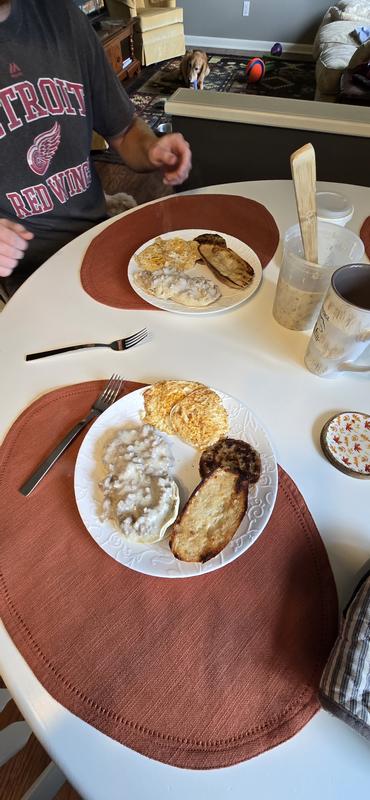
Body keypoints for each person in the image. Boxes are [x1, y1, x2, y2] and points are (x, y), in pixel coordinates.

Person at [0, 0, 192, 297]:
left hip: (99, 241)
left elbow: (125, 131)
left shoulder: (64, 18)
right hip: (32, 277)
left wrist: (153, 149)